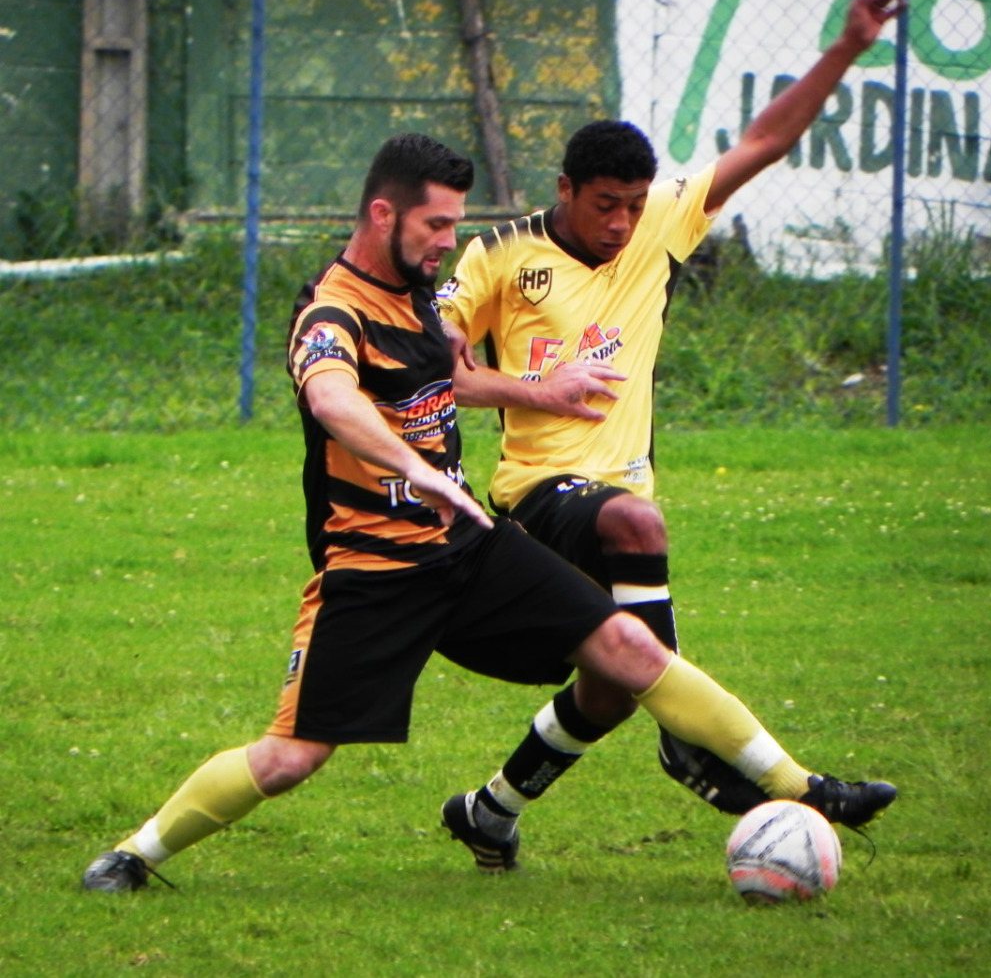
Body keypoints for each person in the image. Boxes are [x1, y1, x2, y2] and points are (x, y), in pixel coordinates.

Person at [81, 132, 891, 893]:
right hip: (373, 570)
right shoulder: (330, 313)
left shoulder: (416, 293)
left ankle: (803, 788)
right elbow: (332, 399)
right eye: (435, 224)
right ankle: (132, 853)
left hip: (467, 545)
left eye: (453, 224)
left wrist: (541, 392)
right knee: (293, 755)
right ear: (382, 214)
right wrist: (409, 466)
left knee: (625, 644)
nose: (446, 241)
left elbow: (450, 378)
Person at [435, 0, 905, 868]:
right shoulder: (499, 255)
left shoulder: (658, 221)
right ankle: (738, 761)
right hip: (534, 493)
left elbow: (765, 139)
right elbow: (441, 375)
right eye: (604, 204)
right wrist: (538, 390)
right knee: (635, 523)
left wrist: (845, 48)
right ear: (566, 188)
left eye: (634, 204)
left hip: (618, 486)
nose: (621, 223)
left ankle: (488, 810)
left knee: (612, 683)